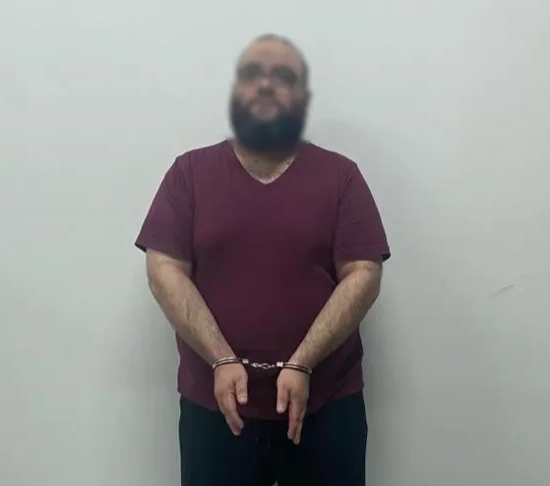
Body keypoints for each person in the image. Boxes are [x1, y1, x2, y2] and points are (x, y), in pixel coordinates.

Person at [135, 33, 390, 486]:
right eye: (253, 74)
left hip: (326, 407)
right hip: (215, 410)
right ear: (235, 91)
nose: (266, 85)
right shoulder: (189, 174)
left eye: (283, 76)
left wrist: (302, 362)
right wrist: (221, 359)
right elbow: (163, 270)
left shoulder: (341, 177)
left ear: (303, 98)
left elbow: (363, 274)